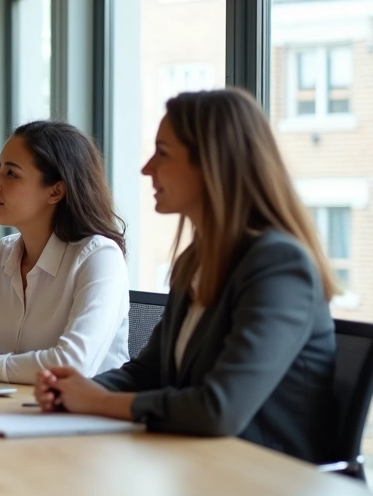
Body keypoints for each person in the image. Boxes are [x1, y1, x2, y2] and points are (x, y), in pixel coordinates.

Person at [33, 88, 338, 464]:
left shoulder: (278, 266)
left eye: (163, 153)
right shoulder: (196, 260)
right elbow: (148, 372)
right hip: (202, 469)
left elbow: (219, 408)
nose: (147, 169)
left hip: (273, 489)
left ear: (213, 164)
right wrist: (75, 390)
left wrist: (99, 401)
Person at [0, 121, 130, 384]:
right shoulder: (4, 255)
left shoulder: (99, 258)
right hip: (17, 411)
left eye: (11, 174)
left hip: (87, 420)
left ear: (56, 191)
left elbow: (71, 364)